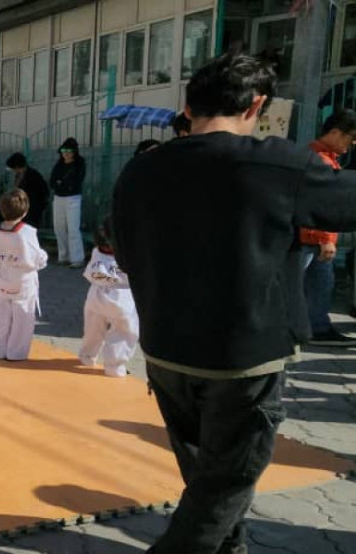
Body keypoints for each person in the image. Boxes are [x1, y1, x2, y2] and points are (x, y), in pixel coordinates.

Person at [112, 54, 356, 554]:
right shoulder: (278, 164)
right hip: (243, 358)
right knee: (225, 482)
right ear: (257, 105)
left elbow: (125, 252)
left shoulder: (141, 170)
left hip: (166, 351)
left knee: (207, 477)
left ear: (188, 106)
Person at [300, 109, 356, 346]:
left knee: (317, 284)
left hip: (311, 237)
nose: (351, 145)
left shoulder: (318, 156)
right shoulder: (320, 161)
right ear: (334, 132)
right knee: (312, 285)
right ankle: (315, 328)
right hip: (313, 237)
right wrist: (326, 239)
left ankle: (316, 327)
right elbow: (321, 204)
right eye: (350, 138)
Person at [0, 188, 48, 361]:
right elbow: (36, 257)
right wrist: (43, 259)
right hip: (23, 280)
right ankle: (16, 353)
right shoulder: (27, 231)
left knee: (2, 315)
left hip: (3, 276)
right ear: (25, 210)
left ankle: (0, 350)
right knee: (23, 317)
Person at [78, 217, 138, 378]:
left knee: (92, 329)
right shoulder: (131, 255)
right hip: (122, 298)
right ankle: (114, 366)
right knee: (124, 332)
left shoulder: (97, 251)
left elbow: (91, 272)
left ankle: (87, 356)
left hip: (96, 295)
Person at [50, 138, 87, 267]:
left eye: (69, 151)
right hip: (59, 198)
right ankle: (63, 256)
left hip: (73, 198)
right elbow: (52, 181)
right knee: (58, 227)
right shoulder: (59, 164)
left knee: (73, 228)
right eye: (64, 150)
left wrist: (61, 183)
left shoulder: (79, 164)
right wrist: (60, 184)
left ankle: (77, 258)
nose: (66, 153)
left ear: (74, 152)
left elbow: (76, 181)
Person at [6, 152, 50, 229]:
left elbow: (43, 191)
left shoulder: (33, 175)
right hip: (23, 207)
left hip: (33, 207)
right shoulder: (19, 175)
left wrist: (39, 205)